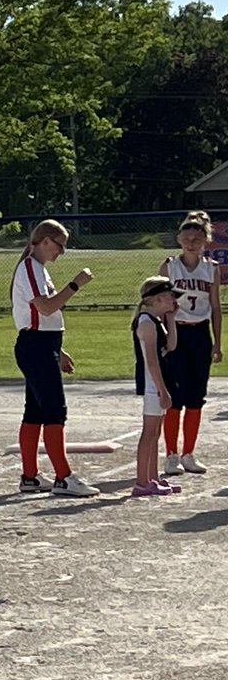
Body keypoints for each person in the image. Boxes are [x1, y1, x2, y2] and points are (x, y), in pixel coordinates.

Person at [11, 219, 98, 497]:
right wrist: (75, 284)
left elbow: (39, 316)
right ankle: (63, 477)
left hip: (41, 345)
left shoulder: (38, 269)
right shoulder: (30, 267)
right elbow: (47, 308)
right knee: (54, 411)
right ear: (45, 241)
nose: (61, 252)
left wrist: (57, 350)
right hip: (35, 346)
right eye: (59, 245)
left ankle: (30, 476)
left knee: (35, 412)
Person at [157, 210, 222, 476]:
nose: (191, 242)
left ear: (205, 241)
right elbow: (158, 305)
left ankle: (188, 453)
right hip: (176, 332)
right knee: (174, 396)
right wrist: (164, 336)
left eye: (197, 238)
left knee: (196, 397)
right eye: (187, 237)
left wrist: (217, 343)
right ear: (179, 239)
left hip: (200, 334)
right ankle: (171, 454)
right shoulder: (170, 266)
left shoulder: (211, 269)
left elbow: (216, 307)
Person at [131, 276, 182, 497]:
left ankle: (152, 478)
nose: (174, 301)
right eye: (171, 297)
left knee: (155, 433)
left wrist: (171, 318)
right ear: (159, 298)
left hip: (158, 383)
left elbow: (171, 345)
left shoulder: (155, 321)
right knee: (149, 433)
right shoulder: (146, 323)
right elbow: (151, 361)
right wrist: (162, 390)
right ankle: (142, 481)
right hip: (153, 385)